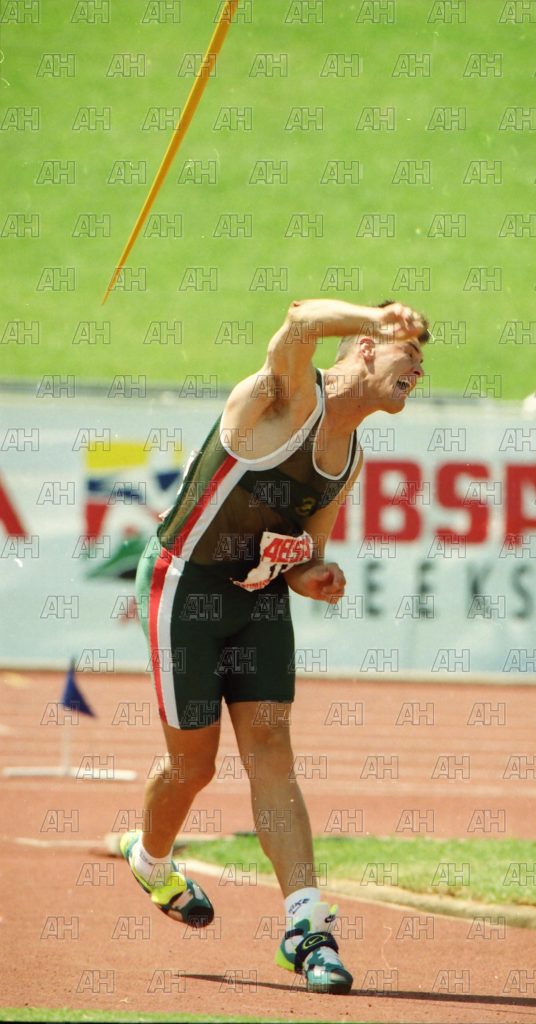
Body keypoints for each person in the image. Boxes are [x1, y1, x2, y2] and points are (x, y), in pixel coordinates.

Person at [121, 298, 429, 995]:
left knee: (271, 753)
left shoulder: (348, 458)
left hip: (258, 599)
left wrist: (315, 576)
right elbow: (298, 319)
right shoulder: (289, 394)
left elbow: (305, 555)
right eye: (405, 351)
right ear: (363, 347)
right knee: (192, 768)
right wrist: (373, 315)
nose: (416, 367)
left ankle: (305, 928)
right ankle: (151, 858)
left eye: (421, 362)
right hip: (185, 587)